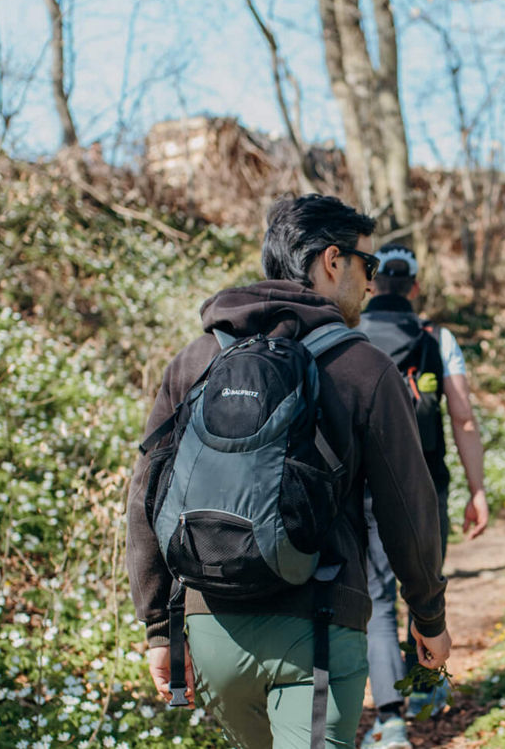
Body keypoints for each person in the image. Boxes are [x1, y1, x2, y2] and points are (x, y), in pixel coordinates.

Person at [126, 194, 451, 748]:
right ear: (332, 260)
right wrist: (428, 615)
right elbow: (408, 506)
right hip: (318, 627)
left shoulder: (197, 359)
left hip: (210, 632)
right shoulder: (363, 366)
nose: (371, 284)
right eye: (366, 266)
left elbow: (145, 497)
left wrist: (161, 629)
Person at [356, 243, 488, 749]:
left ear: (372, 285)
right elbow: (463, 417)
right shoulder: (438, 337)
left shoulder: (351, 335)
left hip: (367, 487)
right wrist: (478, 489)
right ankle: (425, 690)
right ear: (413, 286)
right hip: (428, 485)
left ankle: (389, 722)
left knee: (377, 597)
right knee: (424, 585)